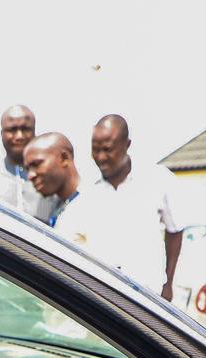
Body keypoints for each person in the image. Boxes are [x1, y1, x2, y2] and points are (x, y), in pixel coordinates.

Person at [88, 114, 184, 301]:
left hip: (149, 293)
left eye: (107, 149)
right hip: (104, 294)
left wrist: (168, 284)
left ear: (127, 144)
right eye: (95, 150)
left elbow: (175, 231)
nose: (101, 157)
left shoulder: (158, 180)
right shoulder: (89, 192)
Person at [0, 105, 59, 223]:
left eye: (25, 129)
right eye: (12, 130)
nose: (19, 136)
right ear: (2, 133)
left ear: (34, 132)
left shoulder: (50, 177)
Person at [21, 132, 82, 229]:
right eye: (28, 169)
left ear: (64, 159)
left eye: (36, 164)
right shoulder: (57, 209)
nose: (30, 176)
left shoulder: (93, 206)